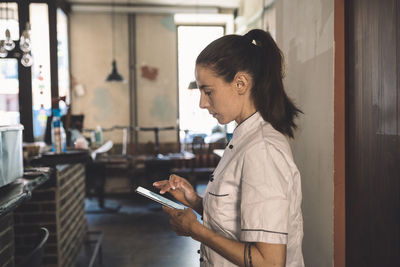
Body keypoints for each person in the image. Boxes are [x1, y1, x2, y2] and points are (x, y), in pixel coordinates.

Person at [153, 29, 304, 267]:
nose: (203, 103)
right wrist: (195, 201)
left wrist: (196, 230)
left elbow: (270, 262)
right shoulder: (243, 138)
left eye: (208, 91)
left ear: (240, 83)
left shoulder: (262, 151)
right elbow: (234, 221)